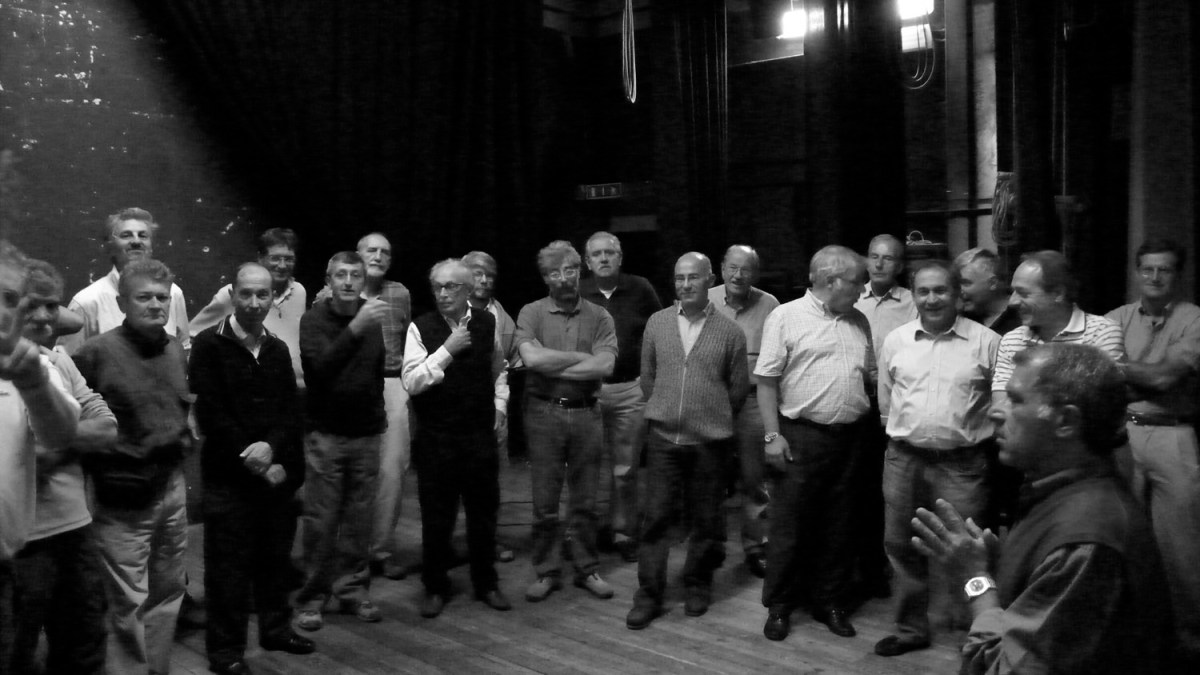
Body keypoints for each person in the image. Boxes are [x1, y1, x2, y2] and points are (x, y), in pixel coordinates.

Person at [912, 344, 1171, 675]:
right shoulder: (1059, 492)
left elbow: (1008, 668)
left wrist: (975, 580)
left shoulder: (1087, 539)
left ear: (1066, 421)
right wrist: (998, 569)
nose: (995, 412)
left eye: (1016, 400)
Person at [189, 263, 313, 675]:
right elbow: (212, 412)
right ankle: (226, 652)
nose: (255, 302)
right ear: (233, 294)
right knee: (227, 571)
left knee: (275, 562)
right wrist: (254, 457)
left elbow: (288, 411)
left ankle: (275, 629)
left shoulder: (276, 349)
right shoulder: (208, 344)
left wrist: (272, 450)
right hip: (228, 478)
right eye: (247, 294)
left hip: (274, 474)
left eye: (263, 294)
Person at [873, 261, 999, 657]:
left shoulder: (987, 342)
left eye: (940, 290)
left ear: (958, 294)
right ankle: (910, 630)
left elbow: (1000, 403)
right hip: (903, 459)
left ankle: (975, 635)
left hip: (962, 464)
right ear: (913, 295)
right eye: (923, 291)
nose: (931, 299)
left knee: (966, 549)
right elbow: (886, 400)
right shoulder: (896, 340)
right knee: (900, 545)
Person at [73, 258, 191, 675]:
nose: (156, 305)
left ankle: (156, 668)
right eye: (144, 298)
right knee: (126, 601)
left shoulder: (174, 348)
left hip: (171, 489)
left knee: (168, 590)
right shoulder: (95, 353)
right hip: (121, 498)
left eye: (162, 297)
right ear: (123, 302)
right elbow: (75, 424)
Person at [625, 253, 749, 630]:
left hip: (710, 442)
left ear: (709, 280)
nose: (685, 285)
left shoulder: (730, 332)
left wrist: (707, 414)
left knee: (707, 520)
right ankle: (649, 594)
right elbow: (648, 378)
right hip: (663, 439)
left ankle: (698, 582)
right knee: (656, 519)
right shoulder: (657, 323)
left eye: (693, 277)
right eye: (679, 278)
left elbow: (737, 390)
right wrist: (667, 408)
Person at [756, 245, 874, 641]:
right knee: (790, 526)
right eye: (857, 281)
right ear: (831, 280)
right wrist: (772, 435)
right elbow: (766, 382)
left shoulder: (859, 320)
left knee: (840, 525)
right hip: (800, 436)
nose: (863, 289)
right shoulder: (785, 317)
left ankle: (830, 601)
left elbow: (867, 376)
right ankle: (780, 605)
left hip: (850, 438)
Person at [11, 260, 113, 675]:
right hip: (17, 541)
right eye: (29, 304)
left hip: (74, 527)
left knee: (83, 645)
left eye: (51, 306)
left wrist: (50, 449)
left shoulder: (57, 360)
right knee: (15, 653)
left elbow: (106, 427)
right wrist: (65, 443)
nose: (43, 316)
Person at [1105, 238, 1200, 664]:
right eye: (1148, 269)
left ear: (1177, 275)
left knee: (1181, 546)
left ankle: (1188, 639)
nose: (1155, 277)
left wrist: (1122, 369)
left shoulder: (1194, 319)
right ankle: (1128, 631)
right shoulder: (1116, 318)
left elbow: (1165, 378)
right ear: (1137, 272)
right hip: (1122, 431)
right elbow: (1100, 378)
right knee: (1120, 534)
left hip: (1172, 434)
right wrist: (1140, 376)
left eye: (1164, 269)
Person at [402, 259, 511, 618]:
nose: (443, 293)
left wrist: (500, 404)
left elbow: (499, 368)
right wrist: (447, 350)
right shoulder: (420, 327)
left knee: (483, 514)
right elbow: (412, 381)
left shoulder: (487, 322)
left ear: (468, 290)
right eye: (438, 287)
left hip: (478, 436)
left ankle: (486, 582)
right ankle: (435, 586)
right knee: (437, 517)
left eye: (451, 286)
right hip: (437, 438)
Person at [515, 240, 618, 602]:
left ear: (579, 271)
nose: (563, 278)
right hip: (543, 413)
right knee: (545, 502)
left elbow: (605, 365)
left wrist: (553, 362)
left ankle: (587, 568)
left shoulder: (600, 316)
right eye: (555, 272)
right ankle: (547, 570)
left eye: (570, 270)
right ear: (545, 277)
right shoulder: (531, 312)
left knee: (586, 500)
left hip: (588, 413)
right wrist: (580, 358)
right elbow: (531, 360)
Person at [294, 252, 387, 630]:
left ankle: (351, 589)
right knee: (321, 520)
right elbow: (319, 370)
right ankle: (312, 597)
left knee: (359, 520)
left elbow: (376, 371)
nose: (349, 282)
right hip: (326, 434)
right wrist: (355, 329)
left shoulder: (372, 318)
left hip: (366, 433)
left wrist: (377, 416)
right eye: (341, 275)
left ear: (364, 280)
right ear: (329, 280)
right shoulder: (313, 320)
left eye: (355, 275)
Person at [0, 242, 80, 672]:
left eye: (11, 298)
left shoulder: (32, 363)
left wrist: (33, 384)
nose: (5, 311)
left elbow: (62, 434)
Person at [579, 231, 662, 560]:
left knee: (625, 469)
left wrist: (648, 380)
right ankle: (584, 532)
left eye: (609, 252)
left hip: (630, 390)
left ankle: (623, 531)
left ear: (620, 257)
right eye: (596, 254)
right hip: (588, 391)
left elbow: (659, 331)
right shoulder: (577, 291)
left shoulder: (641, 288)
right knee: (586, 467)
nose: (603, 258)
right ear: (587, 262)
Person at [708, 244, 779, 579]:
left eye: (745, 269)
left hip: (752, 401)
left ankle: (756, 545)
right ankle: (710, 545)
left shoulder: (770, 305)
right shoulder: (704, 299)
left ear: (756, 273)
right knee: (710, 477)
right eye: (732, 268)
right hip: (711, 399)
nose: (738, 275)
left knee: (755, 479)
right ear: (722, 268)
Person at [853, 233, 917, 598]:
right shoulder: (851, 296)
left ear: (899, 265)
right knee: (858, 489)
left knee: (887, 493)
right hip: (854, 401)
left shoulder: (912, 302)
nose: (879, 263)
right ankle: (861, 564)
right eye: (874, 256)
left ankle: (884, 567)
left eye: (888, 258)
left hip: (893, 407)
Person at [993, 250, 1125, 398]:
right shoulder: (1012, 340)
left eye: (1023, 293)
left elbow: (1102, 403)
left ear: (1058, 293)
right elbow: (1002, 404)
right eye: (1012, 292)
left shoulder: (1102, 332)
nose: (1012, 302)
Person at [58, 207, 190, 355]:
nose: (136, 241)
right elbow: (67, 363)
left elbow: (183, 348)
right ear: (110, 245)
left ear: (152, 245)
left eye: (143, 235)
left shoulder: (173, 293)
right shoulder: (87, 302)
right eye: (126, 235)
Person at [189, 228, 308, 389]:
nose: (282, 265)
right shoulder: (232, 295)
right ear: (260, 258)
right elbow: (192, 336)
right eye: (275, 258)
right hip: (248, 392)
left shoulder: (299, 292)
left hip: (292, 389)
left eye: (288, 259)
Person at [462, 250, 519, 563]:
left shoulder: (502, 316)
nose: (484, 280)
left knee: (490, 482)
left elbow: (505, 365)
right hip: (457, 411)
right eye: (477, 273)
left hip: (492, 409)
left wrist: (500, 405)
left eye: (490, 275)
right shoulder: (452, 309)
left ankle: (487, 539)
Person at [954, 247, 1022, 336]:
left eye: (966, 283)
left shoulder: (1022, 315)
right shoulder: (960, 320)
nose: (959, 290)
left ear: (993, 283)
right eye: (957, 284)